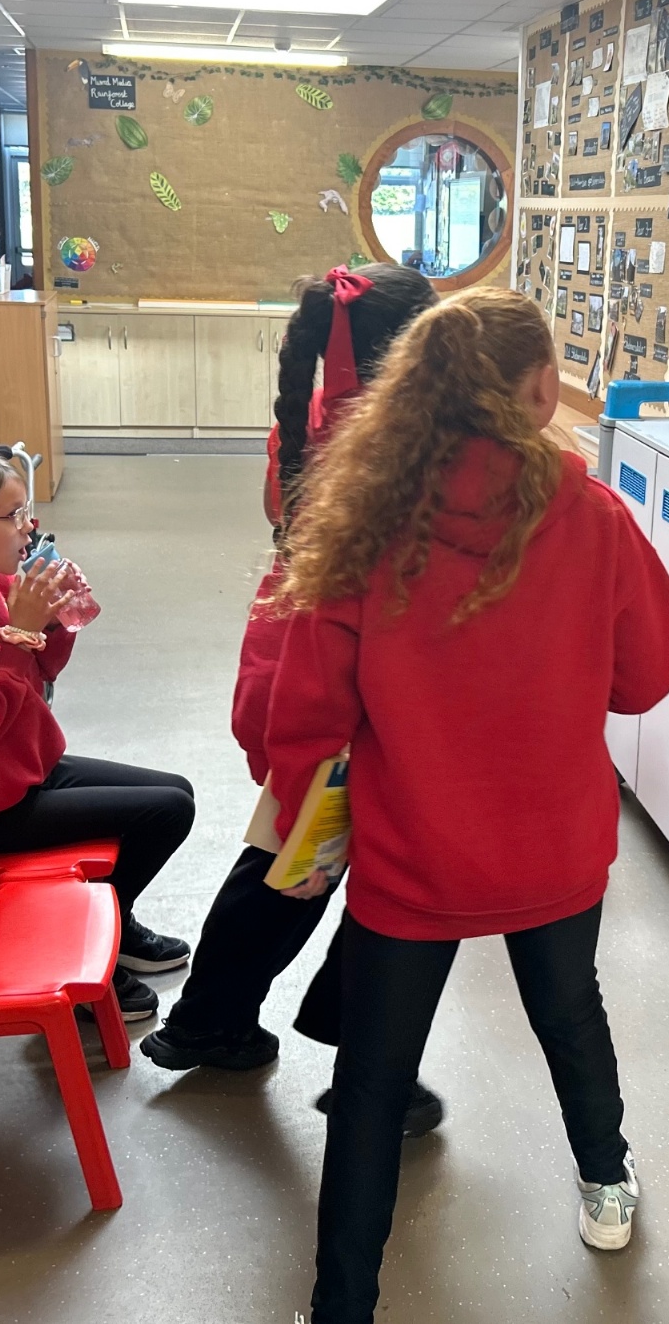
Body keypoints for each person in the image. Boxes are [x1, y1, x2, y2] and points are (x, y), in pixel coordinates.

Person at [264, 286, 669, 1320]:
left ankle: (344, 1304)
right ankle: (605, 1181)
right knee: (569, 1014)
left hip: (412, 854)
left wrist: (307, 833)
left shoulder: (362, 523)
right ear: (541, 391)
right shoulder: (593, 517)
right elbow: (644, 679)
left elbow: (307, 716)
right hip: (553, 845)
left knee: (372, 1083)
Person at [142, 265, 448, 1137]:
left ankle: (210, 1020)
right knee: (389, 881)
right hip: (352, 686)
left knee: (290, 854)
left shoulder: (313, 419)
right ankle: (369, 1067)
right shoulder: (407, 446)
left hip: (290, 664)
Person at [0, 447, 193, 1023]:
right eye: (11, 515)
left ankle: (114, 923)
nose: (28, 525)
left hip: (28, 765)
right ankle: (88, 957)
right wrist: (19, 632)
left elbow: (42, 673)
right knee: (166, 812)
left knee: (177, 792)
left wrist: (54, 621)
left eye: (25, 509)